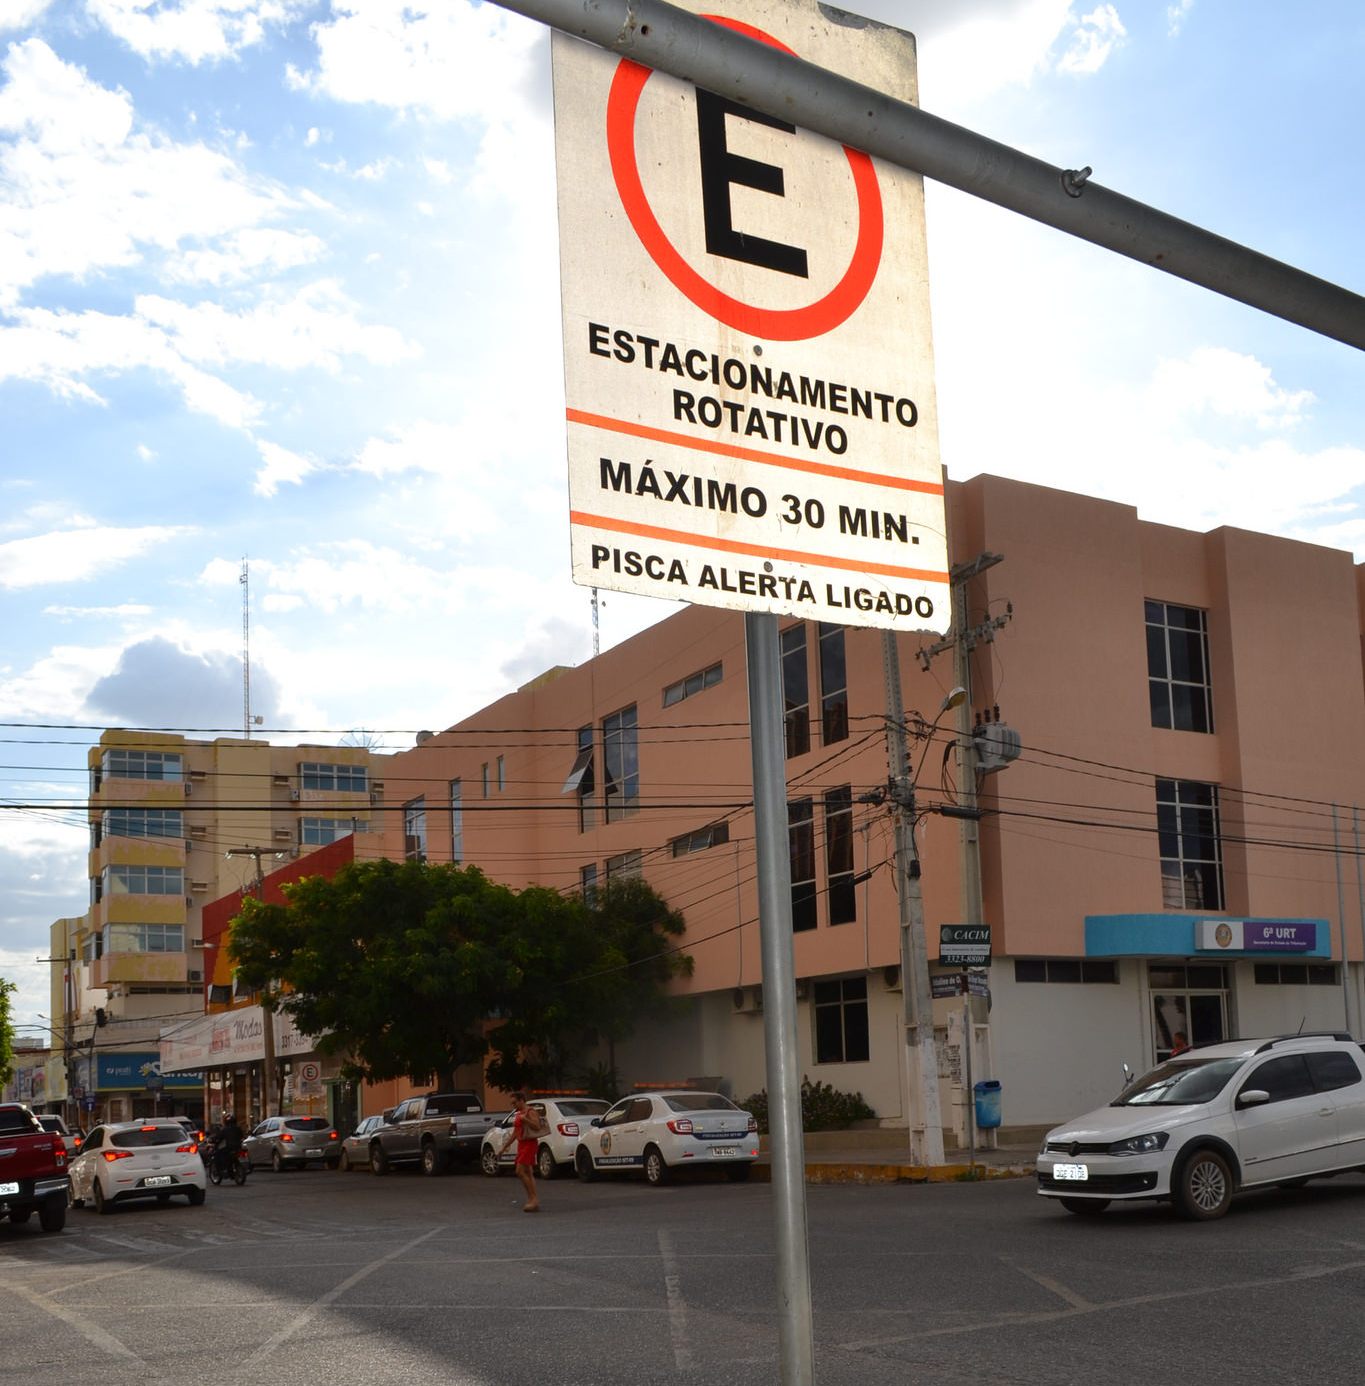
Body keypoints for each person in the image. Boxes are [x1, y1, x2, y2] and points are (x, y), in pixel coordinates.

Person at [499, 1092, 542, 1213]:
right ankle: (532, 1199)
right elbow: (515, 1133)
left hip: (529, 1143)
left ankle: (533, 1198)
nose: (513, 1105)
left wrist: (525, 1119)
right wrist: (504, 1147)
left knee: (520, 1171)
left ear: (522, 1100)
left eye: (515, 1103)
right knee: (528, 1172)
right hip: (521, 1144)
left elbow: (537, 1126)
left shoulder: (530, 1111)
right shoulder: (518, 1114)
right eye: (512, 1103)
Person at [216, 1111, 244, 1179]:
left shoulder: (225, 1129)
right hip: (238, 1147)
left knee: (220, 1154)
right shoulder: (238, 1128)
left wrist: (214, 1140)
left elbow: (219, 1137)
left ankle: (225, 1169)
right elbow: (242, 1136)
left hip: (229, 1148)